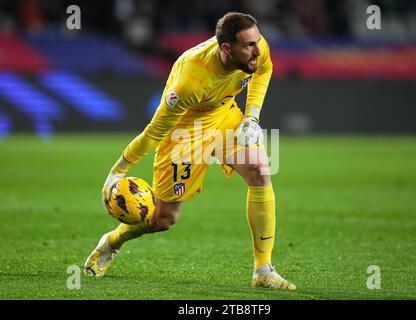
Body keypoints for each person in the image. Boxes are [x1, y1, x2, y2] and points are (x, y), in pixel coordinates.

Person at [84, 12, 296, 290]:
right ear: (226, 49)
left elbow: (264, 69)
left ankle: (263, 270)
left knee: (259, 170)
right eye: (249, 46)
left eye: (257, 42)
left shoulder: (255, 46)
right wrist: (118, 170)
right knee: (163, 219)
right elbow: (154, 132)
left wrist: (251, 116)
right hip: (184, 132)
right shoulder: (190, 79)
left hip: (222, 115)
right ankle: (112, 241)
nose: (258, 49)